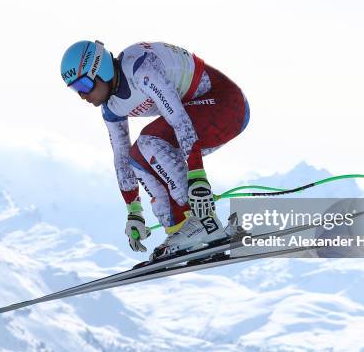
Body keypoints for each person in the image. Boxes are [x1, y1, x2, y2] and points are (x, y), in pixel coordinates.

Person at [61, 40, 249, 262]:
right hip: (196, 118)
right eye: (75, 90)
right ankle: (181, 229)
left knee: (150, 142)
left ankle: (205, 222)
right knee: (137, 158)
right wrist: (133, 210)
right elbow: (121, 156)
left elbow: (178, 118)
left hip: (226, 105)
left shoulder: (141, 68)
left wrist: (198, 176)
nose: (82, 96)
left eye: (83, 86)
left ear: (99, 69)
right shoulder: (111, 107)